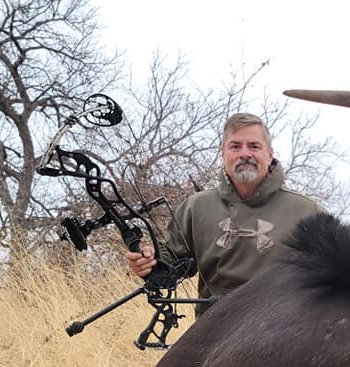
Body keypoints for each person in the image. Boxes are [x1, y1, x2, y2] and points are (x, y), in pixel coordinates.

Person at [125, 112, 321, 298]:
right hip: (216, 328)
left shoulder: (306, 211)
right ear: (223, 153)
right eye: (235, 146)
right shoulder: (196, 207)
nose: (245, 154)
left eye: (254, 146)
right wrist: (147, 263)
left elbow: (330, 277)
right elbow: (170, 268)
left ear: (269, 154)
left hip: (285, 328)